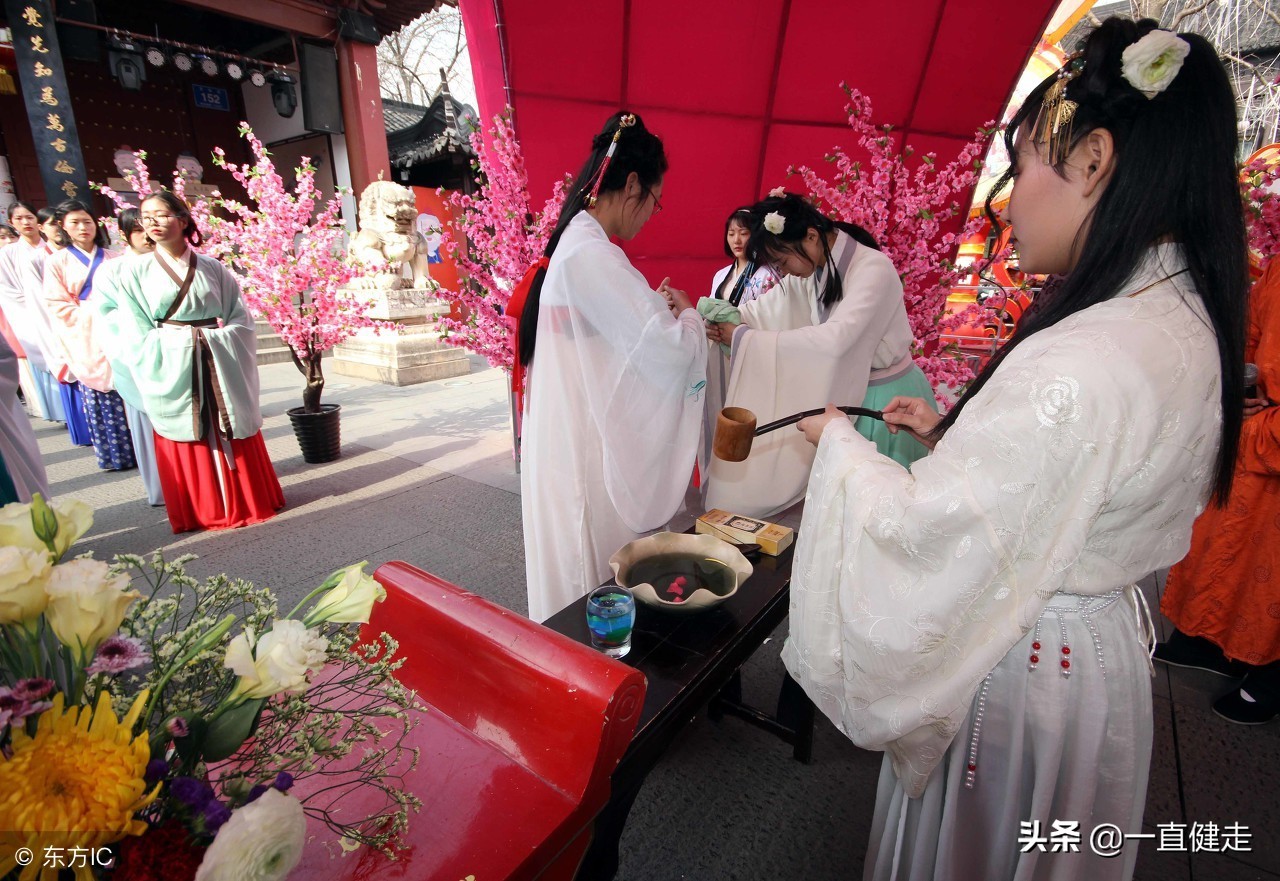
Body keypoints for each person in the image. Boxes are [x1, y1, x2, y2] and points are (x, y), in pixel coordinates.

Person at [784, 18, 1246, 880]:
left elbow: (929, 529)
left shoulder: (1084, 355)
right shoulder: (1183, 314)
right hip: (1095, 658)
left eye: (1026, 160)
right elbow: (1078, 479)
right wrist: (954, 432)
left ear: (1094, 159)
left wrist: (842, 446)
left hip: (1020, 662)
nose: (1007, 196)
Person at [517, 111, 705, 622]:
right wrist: (687, 315)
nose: (650, 215)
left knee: (577, 575)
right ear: (631, 185)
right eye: (655, 201)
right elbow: (664, 350)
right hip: (581, 446)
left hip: (567, 434)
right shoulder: (592, 255)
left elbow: (617, 340)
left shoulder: (577, 244)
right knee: (590, 575)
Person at [703, 193, 935, 518]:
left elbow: (838, 339)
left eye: (783, 262)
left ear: (811, 235)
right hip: (848, 398)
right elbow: (770, 310)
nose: (785, 272)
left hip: (886, 405)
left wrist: (744, 339)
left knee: (874, 516)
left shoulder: (872, 269)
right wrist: (733, 319)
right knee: (840, 515)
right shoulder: (818, 265)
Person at [93, 191, 284, 533]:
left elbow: (241, 320)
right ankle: (203, 509)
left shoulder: (212, 267)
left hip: (216, 360)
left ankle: (248, 500)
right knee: (187, 426)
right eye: (146, 217)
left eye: (161, 214)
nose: (152, 222)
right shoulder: (132, 273)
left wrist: (215, 339)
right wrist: (181, 343)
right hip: (173, 362)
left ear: (182, 220)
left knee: (229, 423)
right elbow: (135, 332)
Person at [1156, 258, 1280, 724]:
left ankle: (1269, 676)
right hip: (1252, 427)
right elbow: (1249, 332)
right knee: (1221, 546)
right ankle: (1212, 645)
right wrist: (1238, 385)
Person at [41, 200, 137, 470]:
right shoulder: (56, 262)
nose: (83, 227)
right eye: (75, 223)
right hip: (85, 331)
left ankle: (141, 448)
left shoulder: (113, 257)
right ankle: (115, 454)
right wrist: (91, 315)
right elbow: (56, 303)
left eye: (87, 221)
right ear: (63, 227)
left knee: (128, 382)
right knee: (98, 388)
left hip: (118, 325)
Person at [696, 208, 777, 488]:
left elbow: (765, 318)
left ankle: (743, 484)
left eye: (744, 232)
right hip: (718, 353)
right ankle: (715, 477)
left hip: (745, 353)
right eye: (731, 233)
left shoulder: (767, 275)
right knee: (718, 411)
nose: (737, 239)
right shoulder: (721, 275)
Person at [95, 207, 164, 505]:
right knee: (149, 423)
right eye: (138, 229)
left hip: (177, 350)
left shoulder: (170, 263)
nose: (147, 234)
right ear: (124, 235)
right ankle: (163, 488)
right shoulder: (112, 270)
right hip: (139, 354)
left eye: (151, 226)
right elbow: (107, 316)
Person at [0, 202, 64, 422]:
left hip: (61, 311)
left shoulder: (53, 247)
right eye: (19, 219)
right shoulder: (8, 253)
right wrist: (37, 305)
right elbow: (8, 291)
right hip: (30, 314)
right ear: (11, 223)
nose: (25, 222)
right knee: (45, 355)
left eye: (29, 217)